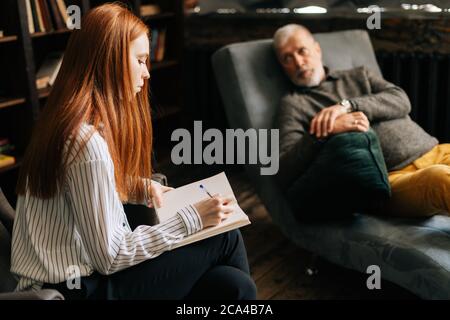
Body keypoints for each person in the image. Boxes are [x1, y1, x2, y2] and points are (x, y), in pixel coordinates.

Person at [10, 3, 256, 300]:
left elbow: (79, 195)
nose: (147, 73)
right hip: (80, 290)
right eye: (140, 60)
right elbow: (111, 257)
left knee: (233, 285)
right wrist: (192, 218)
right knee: (225, 235)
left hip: (79, 280)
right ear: (109, 61)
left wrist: (136, 187)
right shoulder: (86, 143)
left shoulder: (67, 124)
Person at [274, 24, 449, 218]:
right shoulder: (293, 105)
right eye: (287, 58)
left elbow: (401, 101)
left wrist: (348, 105)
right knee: (440, 179)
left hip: (435, 151)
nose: (298, 62)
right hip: (394, 178)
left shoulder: (359, 75)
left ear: (317, 49)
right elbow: (284, 170)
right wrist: (325, 131)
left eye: (302, 51)